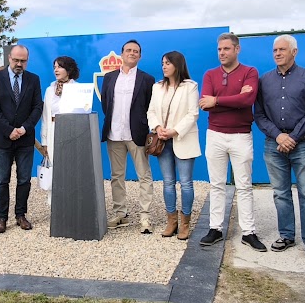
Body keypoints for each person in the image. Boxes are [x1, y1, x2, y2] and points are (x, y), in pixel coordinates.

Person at [253, 35, 305, 257]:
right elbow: (259, 114)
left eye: (282, 49)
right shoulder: (264, 80)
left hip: (301, 144)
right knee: (280, 193)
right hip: (274, 145)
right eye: (275, 50)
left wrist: (292, 136)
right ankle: (286, 235)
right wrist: (278, 136)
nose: (277, 53)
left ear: (294, 52)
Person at [198, 32, 265, 252]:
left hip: (241, 135)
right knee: (216, 184)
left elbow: (247, 100)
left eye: (226, 49)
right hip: (215, 134)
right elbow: (204, 104)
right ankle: (215, 229)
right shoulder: (210, 74)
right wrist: (234, 99)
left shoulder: (250, 72)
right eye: (219, 49)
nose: (222, 53)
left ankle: (248, 232)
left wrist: (217, 100)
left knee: (244, 185)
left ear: (237, 49)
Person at [100, 39, 156, 233]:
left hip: (137, 134)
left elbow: (150, 106)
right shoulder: (109, 78)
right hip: (114, 133)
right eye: (128, 50)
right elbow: (105, 103)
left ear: (140, 56)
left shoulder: (147, 79)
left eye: (136, 51)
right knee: (116, 176)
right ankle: (120, 213)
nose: (132, 53)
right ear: (122, 54)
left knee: (144, 175)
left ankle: (145, 216)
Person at [0, 44, 43, 233]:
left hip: (25, 139)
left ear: (27, 60)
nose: (19, 64)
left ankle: (20, 215)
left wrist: (24, 128)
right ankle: (2, 218)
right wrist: (9, 130)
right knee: (2, 179)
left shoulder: (34, 80)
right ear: (9, 58)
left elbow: (37, 107)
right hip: (3, 139)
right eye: (16, 60)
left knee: (24, 179)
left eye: (23, 60)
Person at [148, 51, 200, 240]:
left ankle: (185, 222)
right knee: (168, 182)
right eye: (162, 63)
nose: (164, 66)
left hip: (182, 138)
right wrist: (158, 127)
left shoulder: (190, 86)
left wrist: (174, 130)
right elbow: (151, 111)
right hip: (162, 141)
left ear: (177, 65)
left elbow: (193, 114)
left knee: (185, 183)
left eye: (168, 63)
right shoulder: (157, 87)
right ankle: (171, 221)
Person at [40, 55, 79, 192]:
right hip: (52, 132)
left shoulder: (78, 89)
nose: (56, 70)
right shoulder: (50, 90)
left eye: (60, 67)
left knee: (71, 167)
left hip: (71, 133)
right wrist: (44, 140)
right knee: (54, 167)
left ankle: (72, 202)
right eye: (54, 67)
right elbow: (45, 116)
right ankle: (55, 204)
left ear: (69, 69)